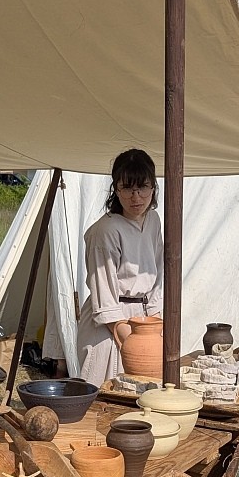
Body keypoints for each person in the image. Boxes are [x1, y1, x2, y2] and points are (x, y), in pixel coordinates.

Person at [75, 148, 164, 386]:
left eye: (143, 187)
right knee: (106, 397)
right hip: (108, 326)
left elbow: (157, 276)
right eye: (127, 188)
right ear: (116, 189)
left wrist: (155, 328)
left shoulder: (153, 220)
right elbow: (104, 298)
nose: (136, 197)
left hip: (141, 321)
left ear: (153, 187)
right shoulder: (105, 231)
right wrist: (131, 343)